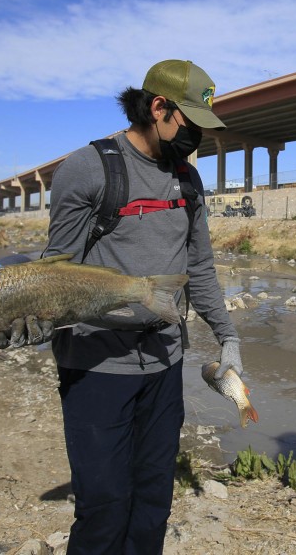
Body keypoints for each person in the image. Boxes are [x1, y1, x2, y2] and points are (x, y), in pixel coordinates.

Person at [40, 59, 241, 554]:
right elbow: (55, 272)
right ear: (158, 107)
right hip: (96, 365)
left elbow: (201, 269)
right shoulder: (89, 168)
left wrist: (229, 337)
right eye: (191, 123)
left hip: (165, 361)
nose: (196, 136)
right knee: (105, 506)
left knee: (153, 500)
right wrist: (16, 317)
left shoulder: (188, 182)